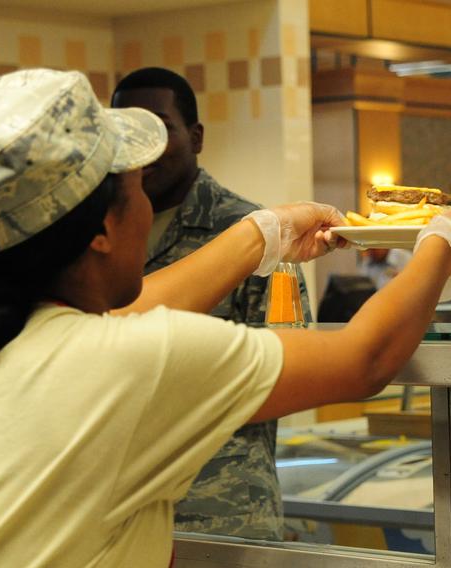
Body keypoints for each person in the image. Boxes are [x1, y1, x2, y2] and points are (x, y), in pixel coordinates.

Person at [0, 68, 451, 567]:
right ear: (104, 229)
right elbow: (364, 359)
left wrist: (260, 235)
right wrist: (445, 242)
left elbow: (127, 316)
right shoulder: (134, 363)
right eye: (136, 186)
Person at [111, 67, 306, 540]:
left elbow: (290, 365)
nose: (143, 148)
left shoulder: (253, 234)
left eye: (159, 129)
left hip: (223, 506)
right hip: (118, 503)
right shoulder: (98, 234)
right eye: (126, 133)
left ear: (195, 137)